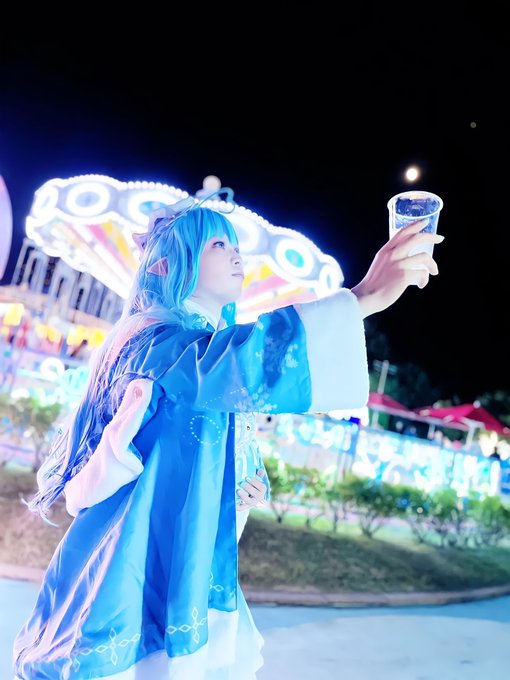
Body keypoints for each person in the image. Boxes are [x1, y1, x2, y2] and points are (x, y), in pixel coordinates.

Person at [12, 191, 443, 679]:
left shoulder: (184, 344)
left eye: (236, 244)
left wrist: (240, 489)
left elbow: (192, 440)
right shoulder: (156, 341)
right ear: (163, 264)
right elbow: (237, 361)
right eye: (218, 243)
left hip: (157, 553)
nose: (237, 254)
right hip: (130, 560)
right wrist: (364, 296)